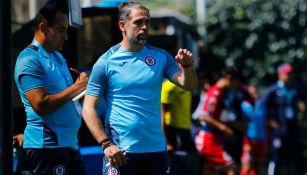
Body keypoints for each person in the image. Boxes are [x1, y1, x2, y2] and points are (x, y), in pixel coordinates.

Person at [81, 1, 197, 175]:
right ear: (123, 25)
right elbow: (88, 109)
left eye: (147, 22)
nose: (144, 27)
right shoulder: (106, 61)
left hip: (156, 151)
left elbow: (188, 84)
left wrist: (187, 67)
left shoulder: (160, 57)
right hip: (121, 152)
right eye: (138, 22)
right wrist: (106, 144)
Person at [14, 4, 89, 175]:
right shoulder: (29, 59)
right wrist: (77, 86)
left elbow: (66, 97)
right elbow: (40, 105)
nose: (66, 37)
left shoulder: (57, 56)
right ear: (43, 28)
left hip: (70, 144)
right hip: (48, 148)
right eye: (61, 30)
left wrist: (84, 90)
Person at [194, 67, 241, 175]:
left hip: (214, 139)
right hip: (208, 140)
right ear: (229, 78)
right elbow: (204, 116)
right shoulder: (215, 93)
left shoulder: (222, 94)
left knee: (209, 171)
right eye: (236, 83)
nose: (236, 87)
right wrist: (224, 128)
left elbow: (221, 118)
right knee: (232, 169)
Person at [262, 63, 305, 175]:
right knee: (277, 157)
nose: (290, 76)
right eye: (287, 74)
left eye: (291, 74)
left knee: (298, 159)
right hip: (279, 131)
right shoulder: (272, 90)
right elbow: (262, 108)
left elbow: (303, 102)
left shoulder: (296, 88)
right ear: (280, 75)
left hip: (294, 129)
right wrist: (270, 121)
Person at [161, 79, 196, 154]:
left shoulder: (188, 83)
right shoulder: (169, 86)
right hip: (173, 130)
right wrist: (166, 142)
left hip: (187, 129)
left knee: (192, 159)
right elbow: (162, 113)